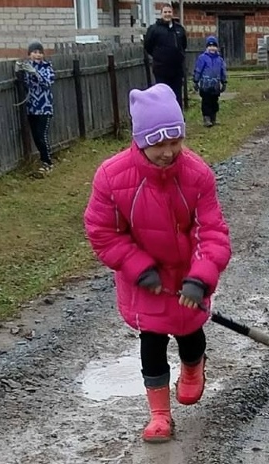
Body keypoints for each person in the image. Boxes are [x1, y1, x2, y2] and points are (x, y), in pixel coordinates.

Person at [83, 84, 231, 443]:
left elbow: (212, 231)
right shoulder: (111, 177)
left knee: (190, 335)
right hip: (144, 280)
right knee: (151, 343)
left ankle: (194, 368)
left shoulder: (197, 175)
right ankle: (160, 415)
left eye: (175, 141)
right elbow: (102, 231)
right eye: (158, 144)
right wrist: (136, 266)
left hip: (185, 280)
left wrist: (201, 278)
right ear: (140, 141)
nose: (168, 152)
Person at [20, 41, 55, 175]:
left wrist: (35, 73)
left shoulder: (47, 67)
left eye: (40, 52)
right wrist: (20, 72)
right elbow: (24, 84)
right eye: (34, 52)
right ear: (29, 54)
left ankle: (48, 162)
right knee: (35, 136)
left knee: (41, 135)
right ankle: (43, 160)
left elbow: (47, 83)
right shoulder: (26, 67)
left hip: (44, 107)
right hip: (31, 108)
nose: (37, 55)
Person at [144, 4, 187, 108]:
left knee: (176, 95)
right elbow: (148, 46)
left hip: (177, 69)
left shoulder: (179, 29)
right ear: (161, 14)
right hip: (161, 70)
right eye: (165, 12)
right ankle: (165, 119)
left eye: (169, 12)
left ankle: (178, 119)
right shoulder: (154, 29)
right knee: (163, 95)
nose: (167, 14)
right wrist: (158, 56)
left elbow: (183, 45)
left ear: (172, 13)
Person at [193, 36, 227, 127]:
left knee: (214, 102)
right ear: (207, 47)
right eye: (210, 46)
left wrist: (224, 82)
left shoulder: (219, 60)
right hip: (205, 86)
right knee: (206, 102)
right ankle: (206, 119)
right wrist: (196, 81)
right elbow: (198, 70)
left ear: (217, 48)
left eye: (214, 46)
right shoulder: (202, 58)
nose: (212, 48)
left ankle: (213, 118)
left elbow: (223, 71)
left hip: (215, 86)